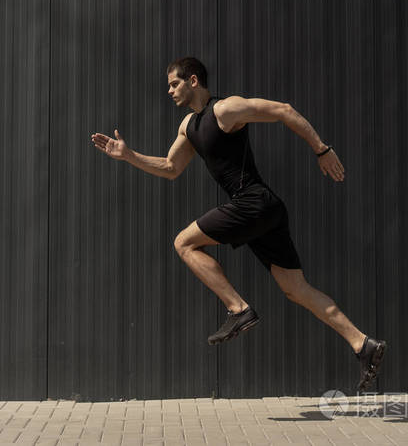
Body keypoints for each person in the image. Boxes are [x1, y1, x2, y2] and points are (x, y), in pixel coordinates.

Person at [91, 57, 386, 392]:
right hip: (265, 210)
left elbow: (283, 110)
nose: (170, 91)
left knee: (183, 243)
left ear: (192, 80)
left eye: (174, 84)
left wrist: (321, 150)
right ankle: (364, 345)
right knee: (296, 289)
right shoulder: (189, 126)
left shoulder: (226, 110)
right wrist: (129, 155)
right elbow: (171, 167)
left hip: (254, 201)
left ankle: (239, 309)